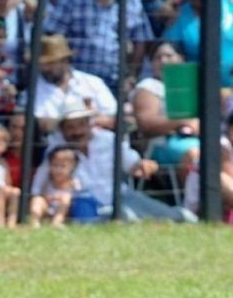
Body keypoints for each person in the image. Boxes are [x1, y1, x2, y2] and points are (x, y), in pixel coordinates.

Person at [35, 95, 197, 222]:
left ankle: (188, 218)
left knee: (170, 216)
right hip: (86, 205)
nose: (77, 132)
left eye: (80, 125)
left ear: (88, 123)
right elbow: (40, 182)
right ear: (62, 130)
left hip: (122, 196)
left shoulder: (108, 139)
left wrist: (143, 166)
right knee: (127, 219)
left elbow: (132, 163)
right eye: (70, 127)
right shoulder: (56, 149)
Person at [44, 0, 154, 93]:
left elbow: (141, 41)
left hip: (114, 82)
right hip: (76, 80)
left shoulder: (131, 2)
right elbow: (52, 35)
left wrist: (131, 75)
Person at [130, 41, 199, 172]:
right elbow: (146, 124)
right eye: (158, 57)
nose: (163, 60)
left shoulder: (193, 84)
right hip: (163, 143)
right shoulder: (148, 86)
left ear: (181, 58)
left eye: (169, 55)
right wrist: (184, 121)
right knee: (196, 154)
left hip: (199, 137)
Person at [32, 34, 117, 134]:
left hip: (99, 141)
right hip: (58, 145)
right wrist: (85, 118)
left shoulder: (93, 83)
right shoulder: (33, 91)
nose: (45, 69)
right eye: (42, 64)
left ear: (65, 61)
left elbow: (113, 117)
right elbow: (40, 124)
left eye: (51, 63)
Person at [29, 144, 80, 227]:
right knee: (37, 199)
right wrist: (48, 197)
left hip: (67, 210)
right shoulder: (46, 180)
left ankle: (56, 223)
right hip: (48, 208)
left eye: (63, 166)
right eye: (55, 165)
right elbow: (36, 192)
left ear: (72, 168)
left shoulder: (74, 182)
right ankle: (35, 223)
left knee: (65, 197)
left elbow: (79, 197)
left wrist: (63, 197)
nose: (58, 170)